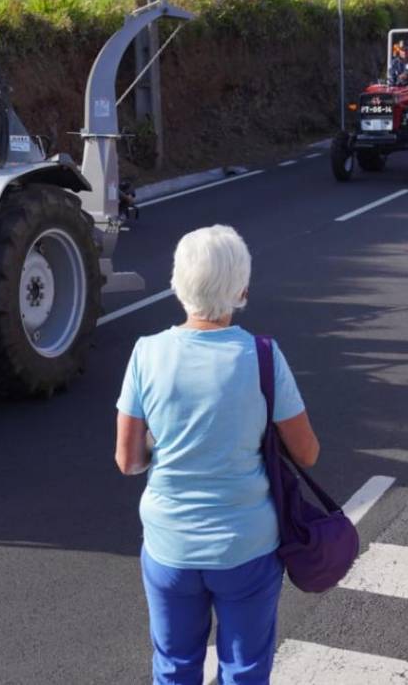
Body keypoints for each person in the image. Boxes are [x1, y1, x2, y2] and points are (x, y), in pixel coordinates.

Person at [116, 225, 320, 684]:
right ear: (242, 290)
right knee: (244, 670)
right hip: (246, 546)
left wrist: (169, 439)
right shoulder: (264, 356)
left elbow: (128, 460)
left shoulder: (146, 354)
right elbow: (307, 454)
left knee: (174, 666)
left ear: (176, 283)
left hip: (170, 545)